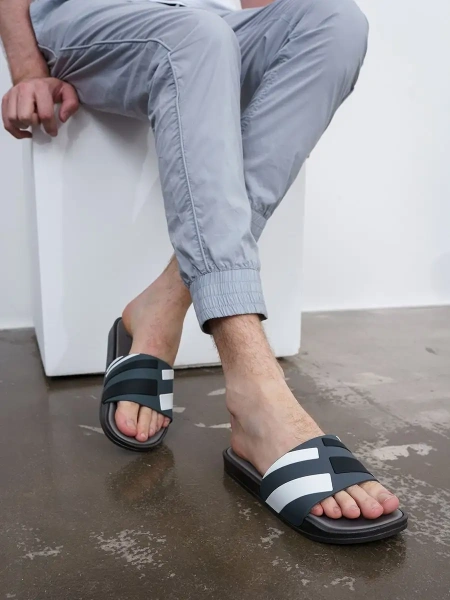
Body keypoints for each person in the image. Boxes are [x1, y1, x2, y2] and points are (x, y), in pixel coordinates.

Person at [1, 0, 406, 543]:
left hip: (205, 17)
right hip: (91, 18)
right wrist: (27, 69)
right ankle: (255, 391)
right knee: (195, 36)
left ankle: (162, 305)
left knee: (334, 22)